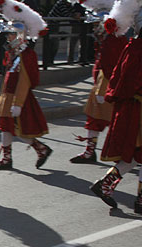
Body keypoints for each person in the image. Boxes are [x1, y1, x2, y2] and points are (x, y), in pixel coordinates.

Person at [0, 8, 52, 170]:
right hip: (8, 95)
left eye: (11, 34)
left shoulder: (27, 55)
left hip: (18, 98)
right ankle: (7, 159)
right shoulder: (13, 53)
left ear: (21, 35)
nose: (8, 37)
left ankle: (41, 149)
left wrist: (18, 103)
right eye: (8, 34)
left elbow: (26, 80)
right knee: (5, 127)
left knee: (21, 129)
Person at [90, 7, 142, 214]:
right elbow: (129, 78)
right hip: (137, 107)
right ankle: (139, 200)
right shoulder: (137, 47)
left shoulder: (134, 45)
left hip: (133, 106)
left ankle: (105, 184)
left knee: (135, 154)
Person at [69, 5, 128, 164]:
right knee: (95, 119)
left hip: (109, 88)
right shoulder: (109, 40)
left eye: (96, 24)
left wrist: (103, 90)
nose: (94, 28)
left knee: (115, 122)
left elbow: (110, 69)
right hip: (105, 86)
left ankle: (123, 152)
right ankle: (90, 151)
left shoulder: (113, 41)